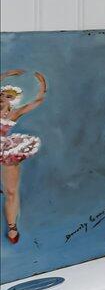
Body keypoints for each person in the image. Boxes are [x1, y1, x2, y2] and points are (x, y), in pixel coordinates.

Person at [0, 70, 48, 244]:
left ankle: (12, 227)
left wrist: (42, 85)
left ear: (12, 101)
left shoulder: (13, 114)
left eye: (6, 96)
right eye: (1, 93)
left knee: (11, 191)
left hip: (4, 150)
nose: (2, 97)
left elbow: (37, 101)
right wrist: (6, 75)